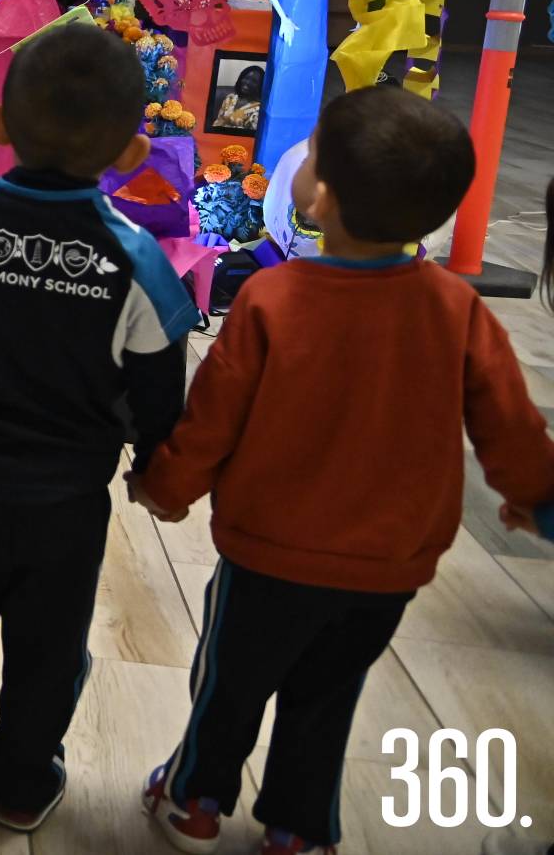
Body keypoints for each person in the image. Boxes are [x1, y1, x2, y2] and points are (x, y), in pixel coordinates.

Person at [134, 86, 554, 855]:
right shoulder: (458, 310)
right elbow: (512, 422)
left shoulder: (270, 299)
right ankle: (298, 829)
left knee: (230, 681)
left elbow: (211, 421)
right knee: (328, 697)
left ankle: (195, 798)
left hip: (268, 552)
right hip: (387, 567)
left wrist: (165, 487)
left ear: (318, 194)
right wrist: (537, 500)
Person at [0, 23, 197, 833]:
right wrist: (154, 468)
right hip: (67, 500)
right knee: (49, 644)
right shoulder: (138, 260)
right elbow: (160, 387)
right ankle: (24, 783)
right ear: (132, 149)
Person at [212, 65, 264, 135]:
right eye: (246, 78)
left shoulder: (257, 109)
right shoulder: (230, 98)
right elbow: (218, 121)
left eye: (254, 81)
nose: (247, 82)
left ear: (260, 86)